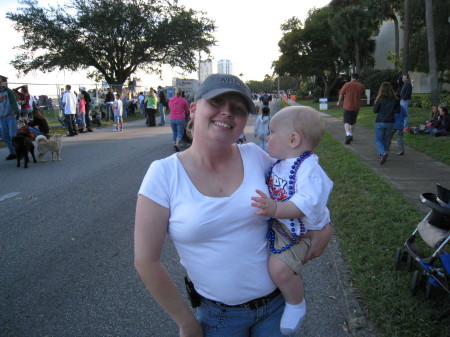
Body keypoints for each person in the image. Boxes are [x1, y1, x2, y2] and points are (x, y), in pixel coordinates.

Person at [134, 73, 333, 337]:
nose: (227, 112)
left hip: (275, 306)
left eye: (238, 109)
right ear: (193, 109)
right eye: (217, 102)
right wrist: (186, 322)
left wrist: (325, 227)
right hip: (219, 318)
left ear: (243, 124)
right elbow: (146, 260)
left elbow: (305, 188)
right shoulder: (163, 174)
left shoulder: (256, 156)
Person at [250, 106, 333, 335]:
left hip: (303, 232)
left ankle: (296, 303)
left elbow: (305, 204)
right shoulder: (282, 161)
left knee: (280, 269)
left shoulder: (309, 170)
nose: (267, 137)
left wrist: (274, 208)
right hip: (283, 226)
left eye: (272, 132)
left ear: (293, 139)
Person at [373, 82, 400, 165]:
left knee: (378, 139)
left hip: (380, 121)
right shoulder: (395, 99)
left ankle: (383, 152)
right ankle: (382, 154)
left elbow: (375, 110)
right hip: (390, 121)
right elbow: (398, 110)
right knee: (386, 139)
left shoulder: (380, 99)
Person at [337, 73, 366, 144]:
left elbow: (341, 94)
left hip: (347, 106)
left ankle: (348, 134)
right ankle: (351, 135)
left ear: (351, 78)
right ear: (357, 78)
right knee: (353, 121)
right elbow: (362, 94)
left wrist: (338, 102)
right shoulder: (361, 86)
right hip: (356, 107)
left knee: (346, 121)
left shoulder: (347, 84)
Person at [0, 78, 20, 160]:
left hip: (10, 116)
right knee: (5, 136)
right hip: (1, 117)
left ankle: (19, 152)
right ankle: (13, 153)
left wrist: (16, 112)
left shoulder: (8, 91)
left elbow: (13, 102)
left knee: (13, 135)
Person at [168, 87, 189, 152]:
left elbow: (170, 108)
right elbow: (187, 110)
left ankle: (174, 143)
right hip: (180, 118)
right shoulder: (184, 100)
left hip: (172, 118)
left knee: (174, 132)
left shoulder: (171, 100)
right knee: (180, 133)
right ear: (181, 92)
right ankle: (177, 145)